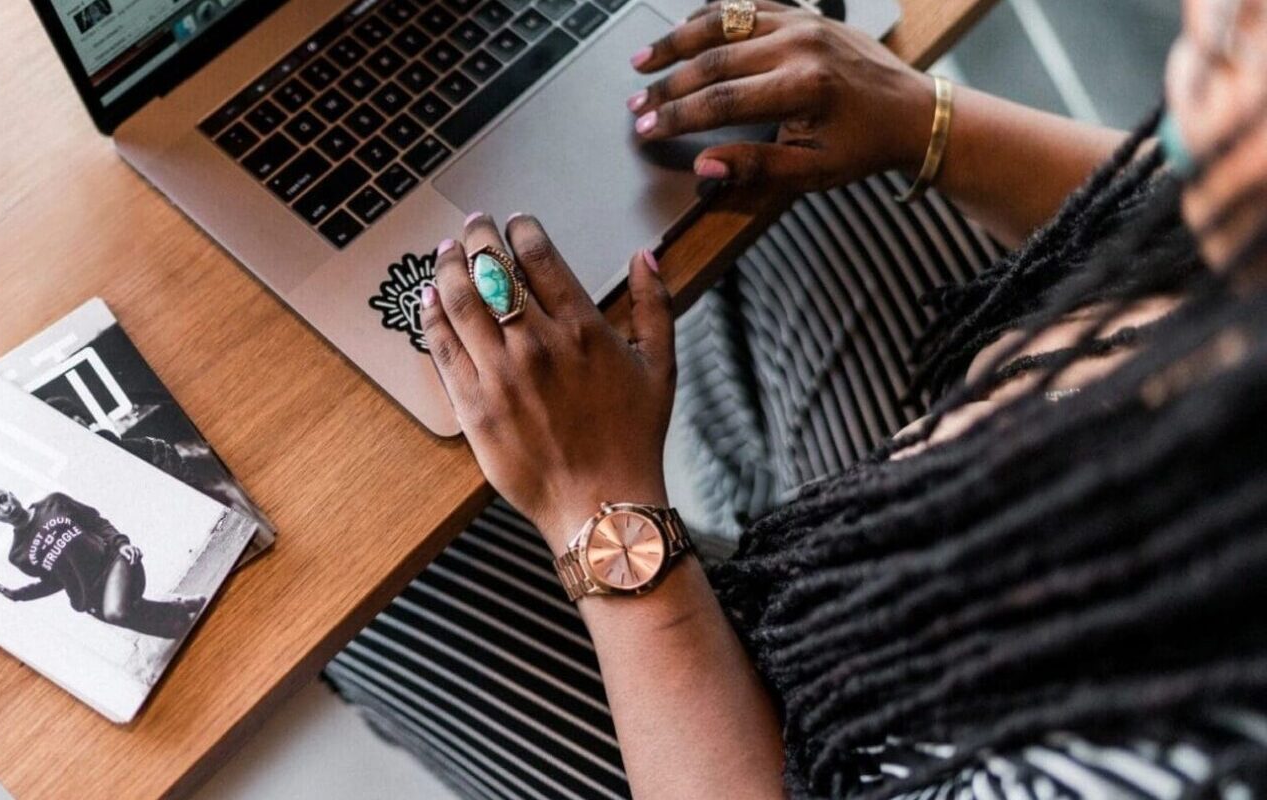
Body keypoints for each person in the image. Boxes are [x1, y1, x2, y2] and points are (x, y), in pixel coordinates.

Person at [324, 0, 1267, 798]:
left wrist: (599, 507)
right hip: (923, 523)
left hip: (828, 753)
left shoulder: (1177, 760)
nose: (1221, 14)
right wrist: (922, 121)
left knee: (361, 572)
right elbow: (1184, 221)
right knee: (777, 137)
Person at [0, 488, 205, 639]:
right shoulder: (18, 555)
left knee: (116, 612)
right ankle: (182, 611)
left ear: (11, 494)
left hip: (114, 562)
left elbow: (95, 521)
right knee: (176, 631)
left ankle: (180, 608)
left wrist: (121, 542)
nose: (5, 508)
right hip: (91, 595)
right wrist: (17, 595)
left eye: (2, 499)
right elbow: (54, 582)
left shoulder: (54, 502)